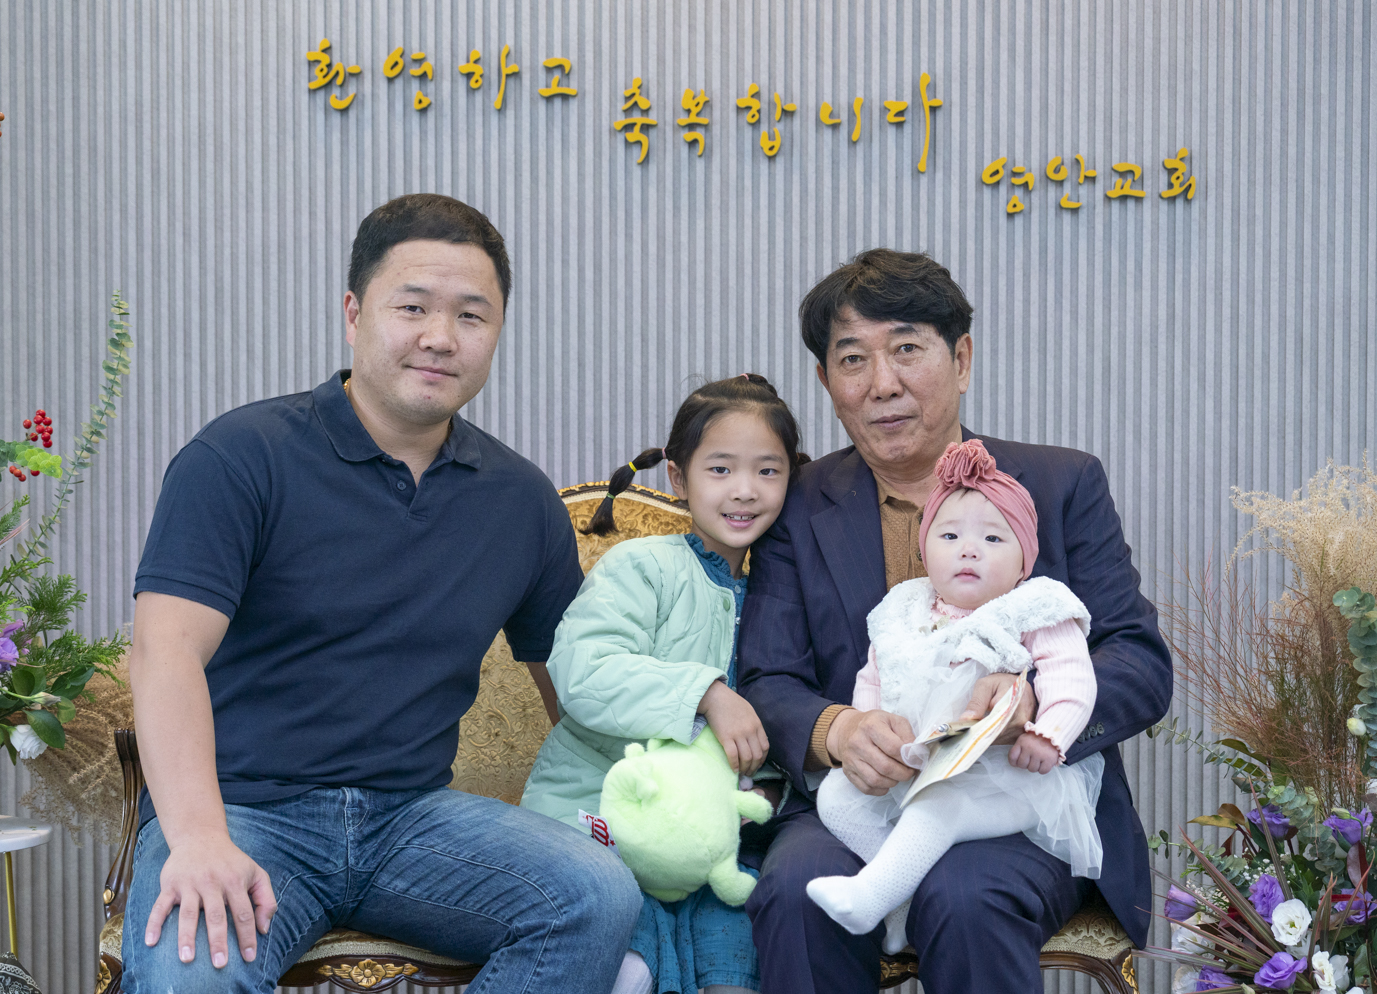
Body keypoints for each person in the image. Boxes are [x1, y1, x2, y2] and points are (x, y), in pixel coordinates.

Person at [125, 193, 641, 994]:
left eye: (471, 315)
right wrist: (196, 838)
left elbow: (579, 686)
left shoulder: (517, 498)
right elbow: (164, 652)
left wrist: (677, 765)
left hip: (413, 819)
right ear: (353, 313)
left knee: (594, 894)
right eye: (413, 307)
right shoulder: (240, 456)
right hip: (243, 813)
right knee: (190, 972)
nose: (440, 336)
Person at [737, 249, 1172, 994]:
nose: (882, 383)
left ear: (961, 358)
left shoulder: (1062, 483)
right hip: (866, 794)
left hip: (1016, 803)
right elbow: (767, 674)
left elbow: (1138, 660)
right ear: (827, 382)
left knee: (967, 897)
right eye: (853, 359)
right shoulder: (799, 503)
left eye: (907, 349)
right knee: (796, 889)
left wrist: (1032, 703)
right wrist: (835, 731)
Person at [521, 374, 806, 994]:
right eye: (720, 469)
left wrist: (767, 789)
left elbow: (794, 714)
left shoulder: (787, 591)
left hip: (718, 836)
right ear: (678, 477)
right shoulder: (643, 566)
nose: (744, 490)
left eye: (767, 471)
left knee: (735, 945)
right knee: (626, 946)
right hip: (603, 809)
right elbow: (583, 672)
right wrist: (707, 693)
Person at [806, 438, 1103, 955]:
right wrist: (870, 731)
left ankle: (870, 896)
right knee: (834, 796)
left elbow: (1073, 677)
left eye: (993, 537)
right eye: (949, 535)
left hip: (1007, 780)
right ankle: (900, 902)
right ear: (925, 552)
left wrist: (1048, 734)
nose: (969, 549)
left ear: (1024, 562)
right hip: (918, 765)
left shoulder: (1031, 607)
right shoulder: (904, 609)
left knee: (937, 806)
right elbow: (874, 678)